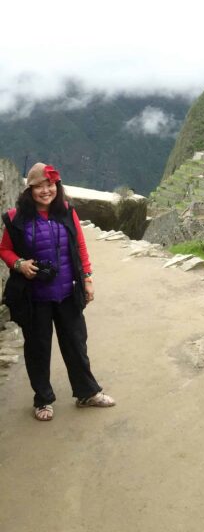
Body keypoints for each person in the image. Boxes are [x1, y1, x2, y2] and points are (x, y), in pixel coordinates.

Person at [0, 162, 115, 421]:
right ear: (29, 190)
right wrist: (19, 264)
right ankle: (43, 399)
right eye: (38, 186)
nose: (45, 191)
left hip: (66, 292)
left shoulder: (66, 211)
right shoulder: (16, 218)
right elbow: (4, 249)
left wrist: (87, 279)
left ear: (57, 186)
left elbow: (80, 246)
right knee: (38, 348)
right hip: (35, 297)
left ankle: (87, 393)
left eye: (49, 185)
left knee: (76, 344)